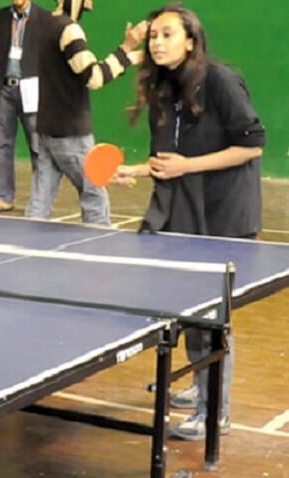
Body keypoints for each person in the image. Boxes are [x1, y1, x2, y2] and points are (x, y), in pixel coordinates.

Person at [111, 5, 265, 441]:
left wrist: (187, 166)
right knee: (187, 310)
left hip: (223, 214)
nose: (156, 42)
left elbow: (251, 146)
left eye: (167, 34)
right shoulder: (164, 87)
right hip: (183, 211)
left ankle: (215, 411)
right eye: (153, 36)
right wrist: (137, 171)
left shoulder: (219, 81)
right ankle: (200, 385)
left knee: (213, 317)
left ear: (191, 40)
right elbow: (169, 160)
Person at [25, 0, 146, 225]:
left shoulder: (43, 25)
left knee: (38, 205)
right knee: (95, 198)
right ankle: (97, 253)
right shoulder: (70, 30)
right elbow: (94, 77)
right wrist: (128, 54)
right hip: (71, 133)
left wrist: (128, 50)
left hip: (45, 129)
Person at [0, 0, 45, 213]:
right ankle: (3, 196)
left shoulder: (43, 18)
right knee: (3, 146)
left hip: (31, 90)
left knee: (37, 147)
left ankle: (40, 199)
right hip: (4, 88)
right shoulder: (0, 17)